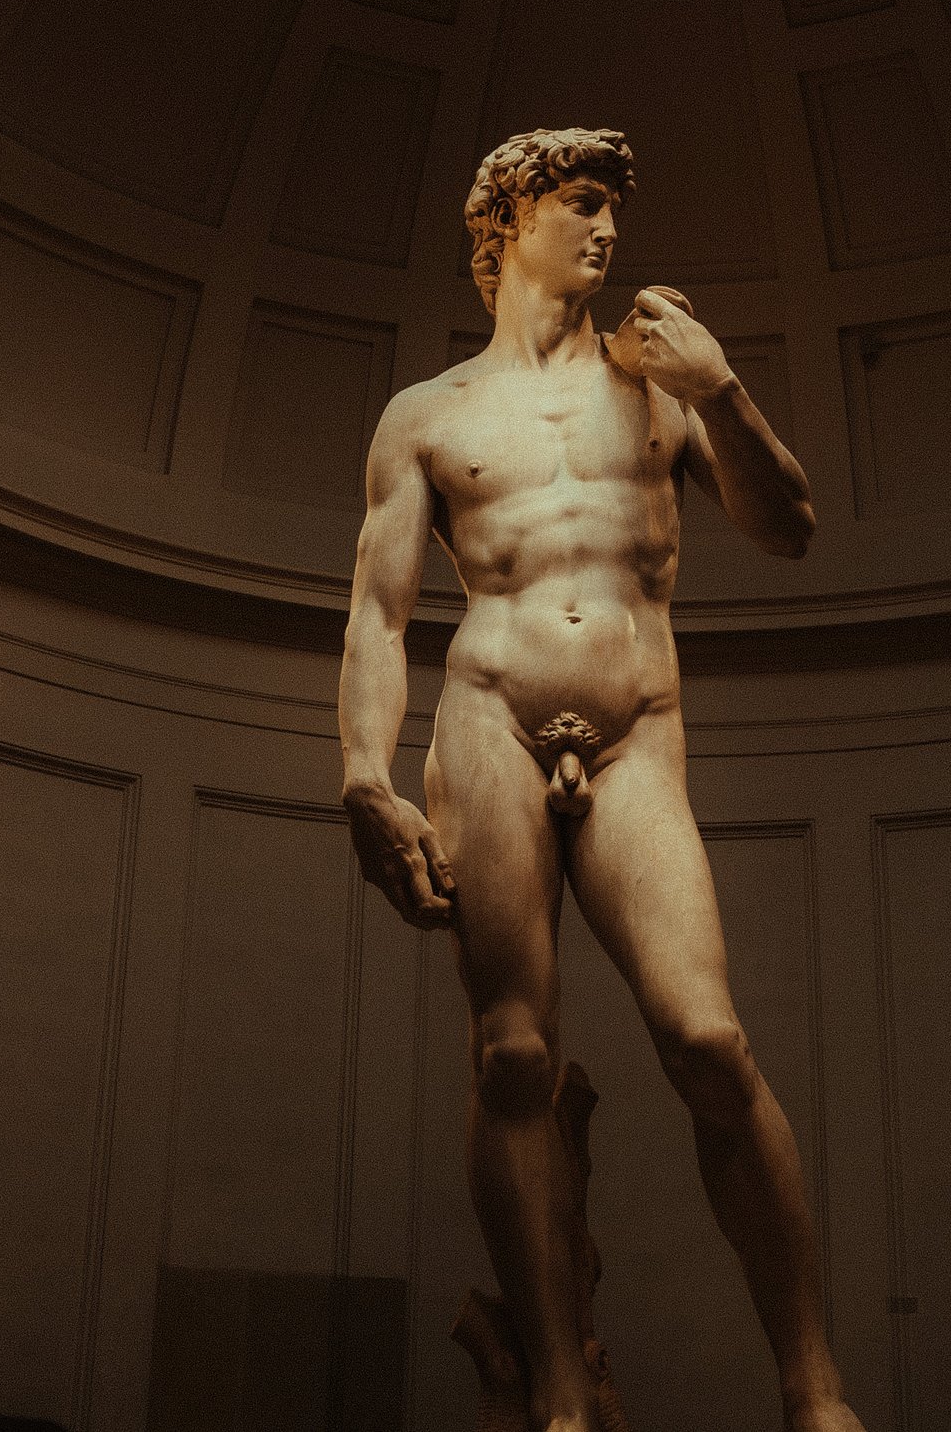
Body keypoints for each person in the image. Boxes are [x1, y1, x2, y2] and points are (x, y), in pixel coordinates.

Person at [338, 125, 866, 1432]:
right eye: (583, 202)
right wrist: (362, 776)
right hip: (488, 720)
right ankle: (563, 1398)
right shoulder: (429, 415)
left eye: (613, 208)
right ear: (512, 216)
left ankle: (814, 1387)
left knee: (709, 1041)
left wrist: (723, 388)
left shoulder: (661, 384)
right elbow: (378, 612)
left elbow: (790, 528)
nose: (609, 229)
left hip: (637, 736)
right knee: (514, 1051)